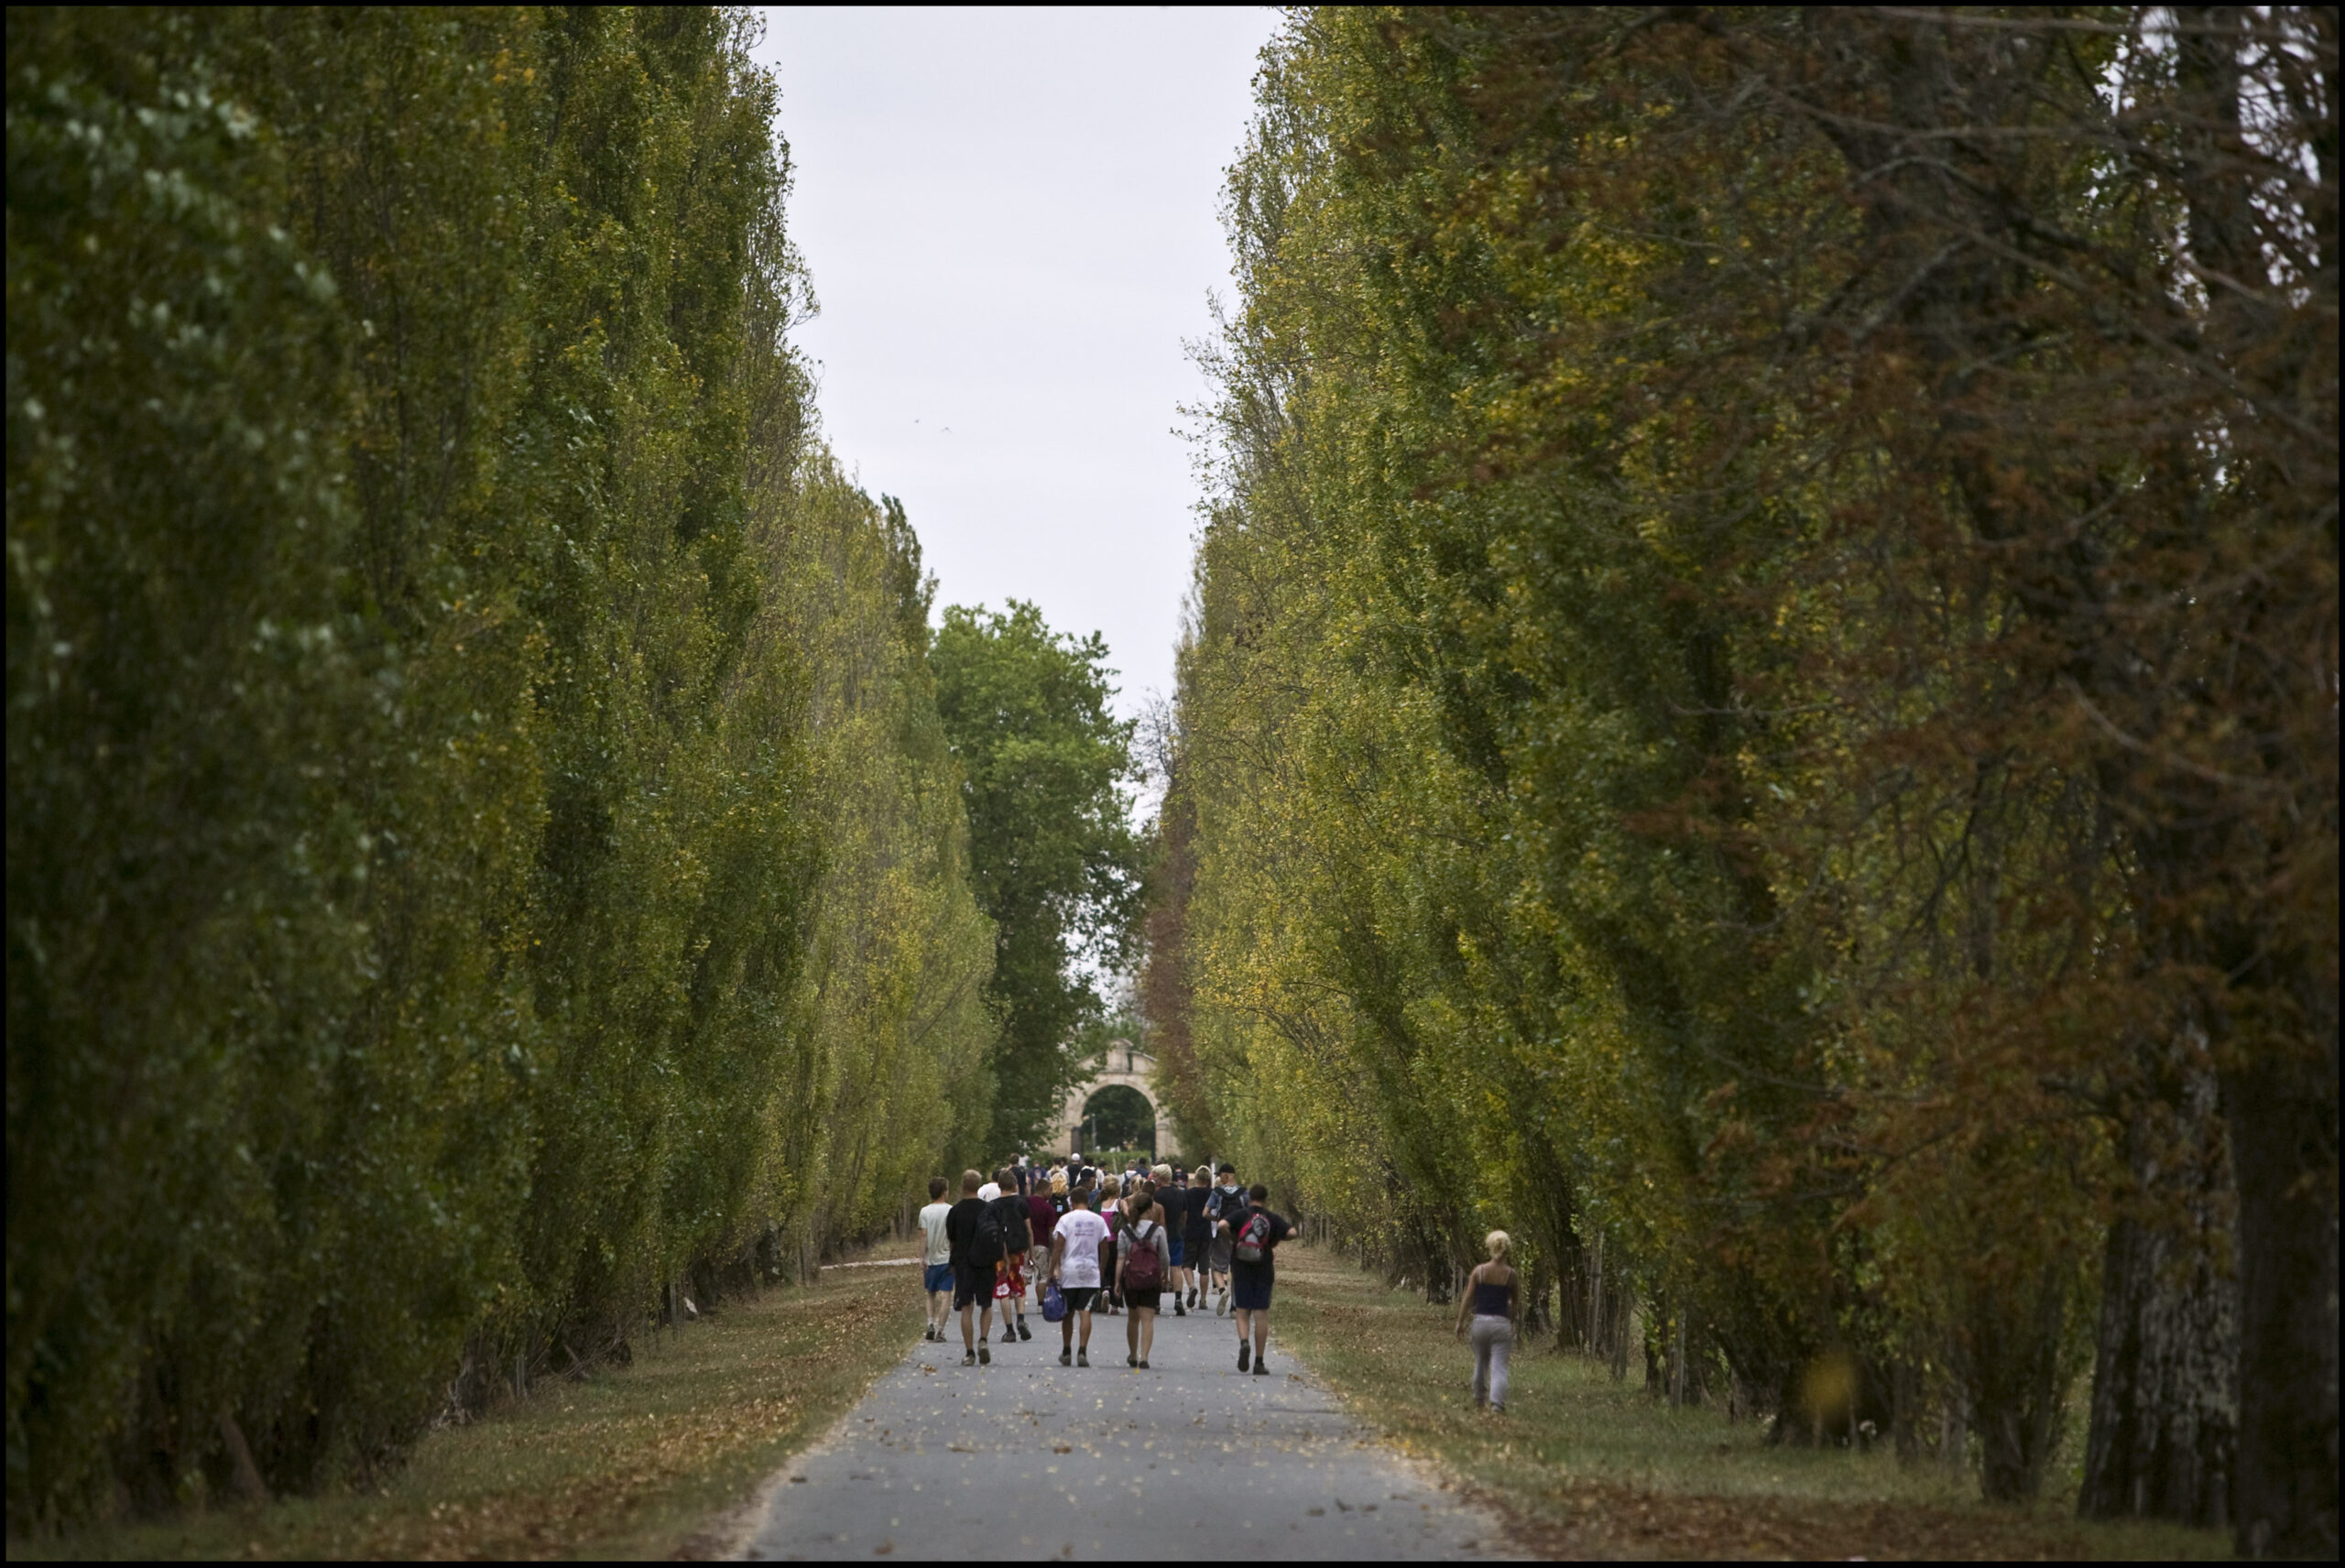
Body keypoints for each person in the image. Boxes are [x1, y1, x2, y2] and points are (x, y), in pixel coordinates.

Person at [1216, 1181, 1294, 1375]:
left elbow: (1221, 1224)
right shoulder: (1271, 1218)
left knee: (1242, 1311)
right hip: (1264, 1268)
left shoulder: (1242, 1214)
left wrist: (1233, 1239)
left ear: (1250, 1197)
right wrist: (1274, 1241)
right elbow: (1292, 1232)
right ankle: (1259, 1362)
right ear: (1265, 1199)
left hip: (1241, 1266)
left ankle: (1244, 1342)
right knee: (1261, 1314)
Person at [1455, 1229, 1520, 1412]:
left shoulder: (1479, 1271)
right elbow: (1515, 1303)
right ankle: (1497, 1404)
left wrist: (1460, 1322)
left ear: (1490, 1247)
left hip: (1480, 1323)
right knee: (1499, 1366)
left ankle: (1478, 1398)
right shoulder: (1511, 1275)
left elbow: (1468, 1298)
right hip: (1501, 1324)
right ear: (1507, 1250)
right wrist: (1509, 1315)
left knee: (1481, 1361)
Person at [1048, 1186, 1110, 1367]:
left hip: (1070, 1272)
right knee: (1086, 1311)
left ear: (1072, 1201)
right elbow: (1105, 1247)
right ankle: (1082, 1350)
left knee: (1068, 1313)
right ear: (1088, 1201)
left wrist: (1052, 1270)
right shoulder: (1098, 1221)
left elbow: (1058, 1246)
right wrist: (1101, 1267)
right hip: (1090, 1271)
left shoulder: (1065, 1220)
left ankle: (1066, 1351)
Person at [943, 1169, 999, 1366]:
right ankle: (983, 1340)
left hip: (964, 1263)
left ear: (962, 1186)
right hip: (985, 1262)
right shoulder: (988, 1209)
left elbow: (952, 1240)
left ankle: (969, 1353)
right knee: (986, 1304)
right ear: (978, 1186)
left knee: (966, 1307)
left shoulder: (955, 1211)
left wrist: (953, 1263)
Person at [1117, 1188, 1172, 1368]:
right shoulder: (1158, 1231)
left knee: (1133, 1318)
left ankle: (1132, 1354)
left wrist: (1117, 1281)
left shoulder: (1125, 1231)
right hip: (1151, 1279)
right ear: (1150, 1209)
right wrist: (1165, 1276)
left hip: (1131, 1279)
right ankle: (1144, 1357)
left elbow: (1121, 1258)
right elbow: (1164, 1257)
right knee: (1148, 1319)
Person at [988, 1166, 1036, 1342]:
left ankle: (1009, 1330)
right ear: (1015, 1185)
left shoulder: (992, 1206)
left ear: (999, 1186)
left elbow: (992, 1231)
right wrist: (1031, 1253)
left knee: (1003, 1290)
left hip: (1001, 1254)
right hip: (1018, 1251)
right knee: (1019, 1286)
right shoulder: (1022, 1203)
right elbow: (1029, 1230)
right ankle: (1021, 1319)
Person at [1202, 1163, 1242, 1315]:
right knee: (1237, 1270)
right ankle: (1234, 1307)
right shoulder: (1244, 1193)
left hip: (1223, 1234)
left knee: (1217, 1267)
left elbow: (1204, 1213)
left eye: (1220, 1175)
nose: (1219, 1178)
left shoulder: (1217, 1192)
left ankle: (1223, 1289)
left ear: (1226, 1175)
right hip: (1239, 1236)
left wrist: (1218, 1219)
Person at [917, 1175, 954, 1342]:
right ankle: (940, 1330)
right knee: (946, 1295)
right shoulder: (950, 1210)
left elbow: (923, 1235)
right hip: (946, 1258)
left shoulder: (924, 1211)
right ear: (944, 1191)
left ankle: (930, 1323)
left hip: (931, 1260)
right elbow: (953, 1236)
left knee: (930, 1293)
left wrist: (922, 1257)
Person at [1158, 1167, 1191, 1316]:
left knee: (1158, 1267)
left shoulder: (1156, 1195)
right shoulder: (1180, 1193)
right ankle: (1178, 1299)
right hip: (1176, 1233)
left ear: (1160, 1177)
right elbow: (1185, 1214)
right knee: (1176, 1267)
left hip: (1159, 1235)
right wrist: (1181, 1227)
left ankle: (1156, 1301)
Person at [1182, 1166, 1215, 1312]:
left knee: (1187, 1264)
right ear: (1208, 1180)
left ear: (1196, 1178)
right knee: (1204, 1268)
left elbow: (1185, 1212)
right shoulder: (1212, 1193)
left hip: (1190, 1232)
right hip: (1206, 1233)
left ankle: (1191, 1286)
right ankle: (1203, 1299)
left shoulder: (1188, 1193)